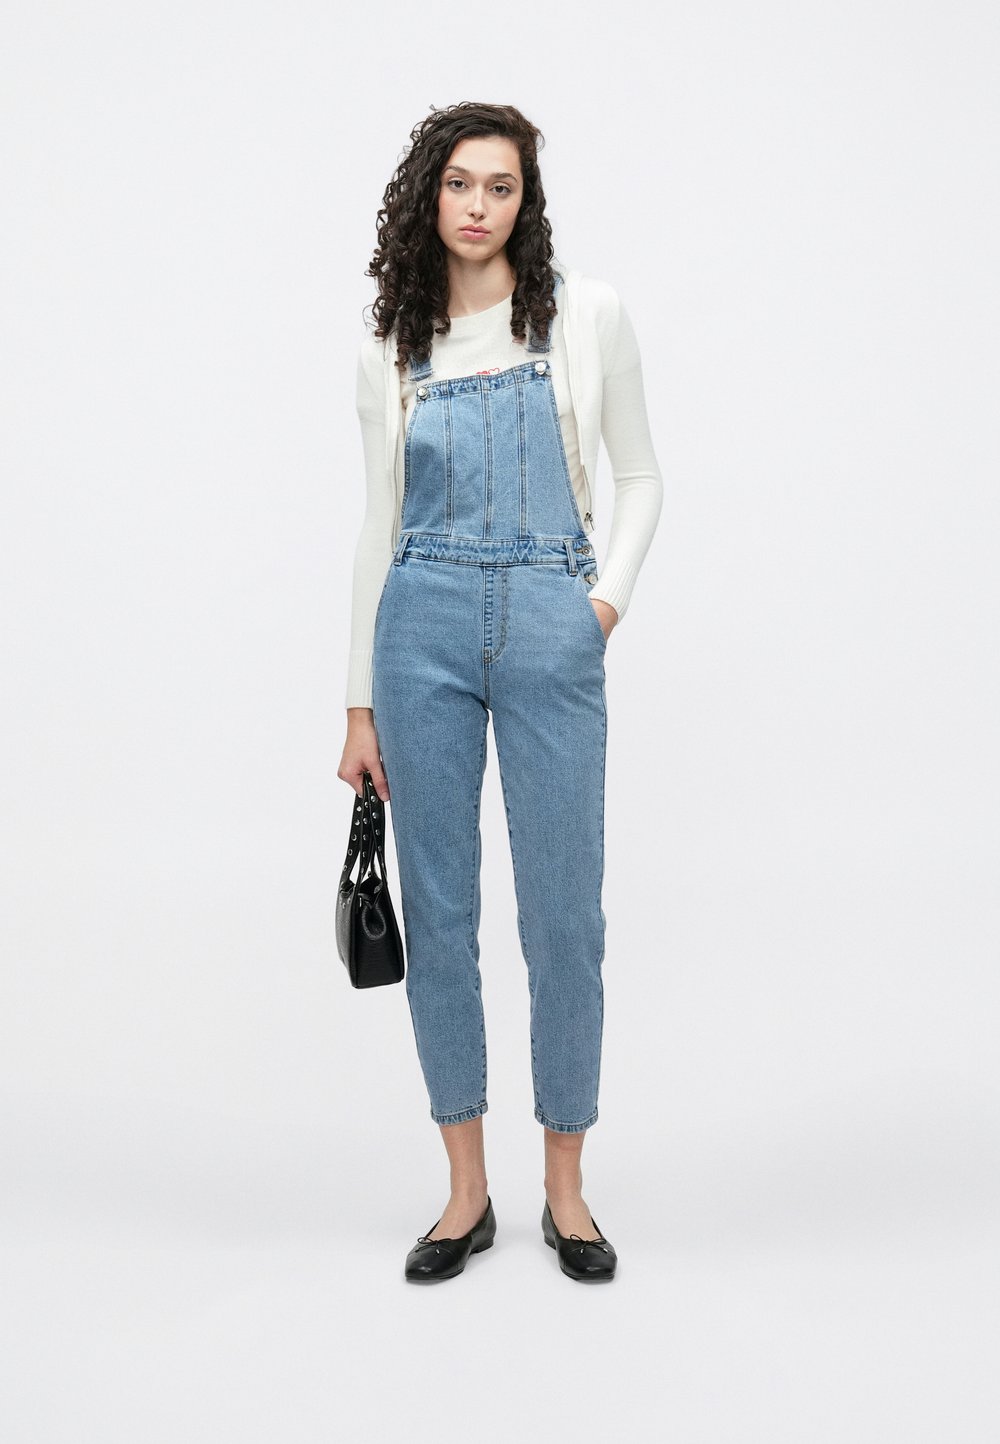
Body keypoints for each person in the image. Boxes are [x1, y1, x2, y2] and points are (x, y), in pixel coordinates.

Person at [338, 101, 663, 1283]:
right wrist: (357, 704)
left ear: (526, 202)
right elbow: (378, 526)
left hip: (546, 616)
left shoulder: (586, 315)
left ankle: (565, 1192)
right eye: (460, 184)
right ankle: (465, 1193)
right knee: (440, 911)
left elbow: (640, 477)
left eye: (502, 187)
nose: (478, 205)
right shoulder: (392, 341)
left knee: (564, 915)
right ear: (429, 195)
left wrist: (598, 609)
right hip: (417, 624)